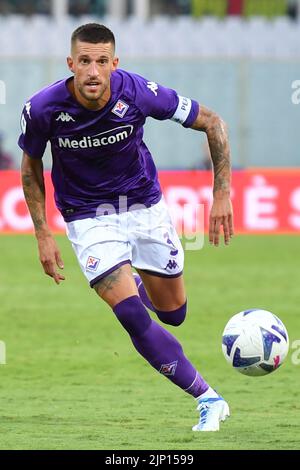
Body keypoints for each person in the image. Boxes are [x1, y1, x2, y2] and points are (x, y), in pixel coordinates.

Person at [19, 23, 234, 432]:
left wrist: (221, 194)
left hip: (144, 209)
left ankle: (133, 281)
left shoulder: (137, 93)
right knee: (133, 316)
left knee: (173, 314)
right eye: (85, 61)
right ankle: (208, 398)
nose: (94, 72)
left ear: (114, 64)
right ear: (71, 64)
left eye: (102, 62)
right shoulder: (42, 109)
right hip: (87, 218)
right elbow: (30, 165)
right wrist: (43, 234)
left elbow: (212, 121)